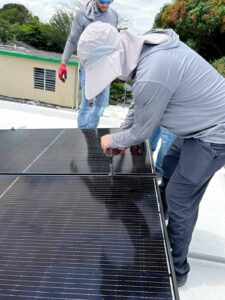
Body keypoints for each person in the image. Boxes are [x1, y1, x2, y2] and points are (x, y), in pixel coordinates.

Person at [77, 21, 225, 287]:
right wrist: (121, 134)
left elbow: (141, 132)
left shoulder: (153, 71)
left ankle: (176, 271)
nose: (115, 79)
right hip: (197, 127)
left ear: (115, 59)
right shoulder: (143, 52)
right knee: (168, 166)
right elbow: (139, 106)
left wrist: (112, 139)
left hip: (215, 134)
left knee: (180, 197)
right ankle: (160, 230)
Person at [58, 0, 118, 128]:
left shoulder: (113, 15)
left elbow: (113, 39)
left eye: (110, 1)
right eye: (102, 1)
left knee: (102, 103)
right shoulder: (82, 14)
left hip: (104, 65)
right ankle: (82, 131)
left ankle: (91, 130)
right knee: (87, 101)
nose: (105, 5)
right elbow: (73, 39)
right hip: (88, 65)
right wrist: (63, 62)